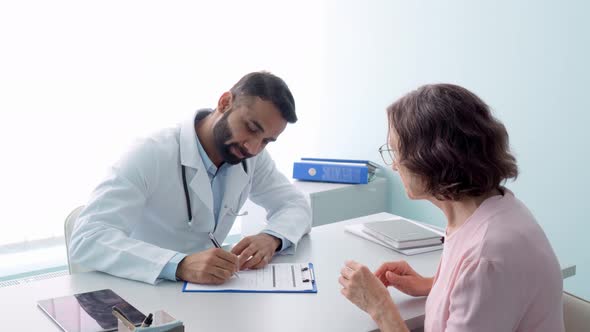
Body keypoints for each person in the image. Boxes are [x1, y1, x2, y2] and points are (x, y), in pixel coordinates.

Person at [339, 84, 564, 331]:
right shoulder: (497, 208)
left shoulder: (486, 255)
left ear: (431, 158)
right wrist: (432, 284)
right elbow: (488, 292)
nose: (394, 165)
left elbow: (484, 274)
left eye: (397, 151)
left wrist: (379, 306)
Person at [70, 71, 312, 285]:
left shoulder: (252, 157)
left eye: (267, 140)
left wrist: (271, 238)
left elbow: (295, 204)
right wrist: (179, 264)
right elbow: (87, 238)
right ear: (225, 102)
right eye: (251, 127)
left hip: (210, 293)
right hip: (146, 292)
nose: (253, 147)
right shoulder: (150, 153)